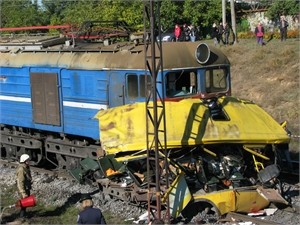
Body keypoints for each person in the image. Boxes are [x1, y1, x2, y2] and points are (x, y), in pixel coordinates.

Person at [16, 154, 32, 219]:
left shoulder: (26, 167)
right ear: (24, 161)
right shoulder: (21, 169)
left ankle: (24, 215)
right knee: (24, 203)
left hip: (26, 187)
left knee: (25, 203)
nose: (29, 161)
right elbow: (20, 182)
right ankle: (22, 217)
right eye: (28, 160)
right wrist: (23, 193)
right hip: (24, 189)